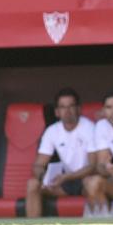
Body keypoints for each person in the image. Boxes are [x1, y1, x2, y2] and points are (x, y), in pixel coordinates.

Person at [25, 88, 100, 217]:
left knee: (92, 183)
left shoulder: (90, 127)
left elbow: (93, 166)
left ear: (78, 109)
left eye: (71, 106)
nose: (67, 111)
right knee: (32, 184)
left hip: (85, 180)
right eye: (63, 107)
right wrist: (44, 178)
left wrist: (66, 177)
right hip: (63, 182)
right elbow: (38, 165)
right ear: (57, 112)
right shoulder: (52, 131)